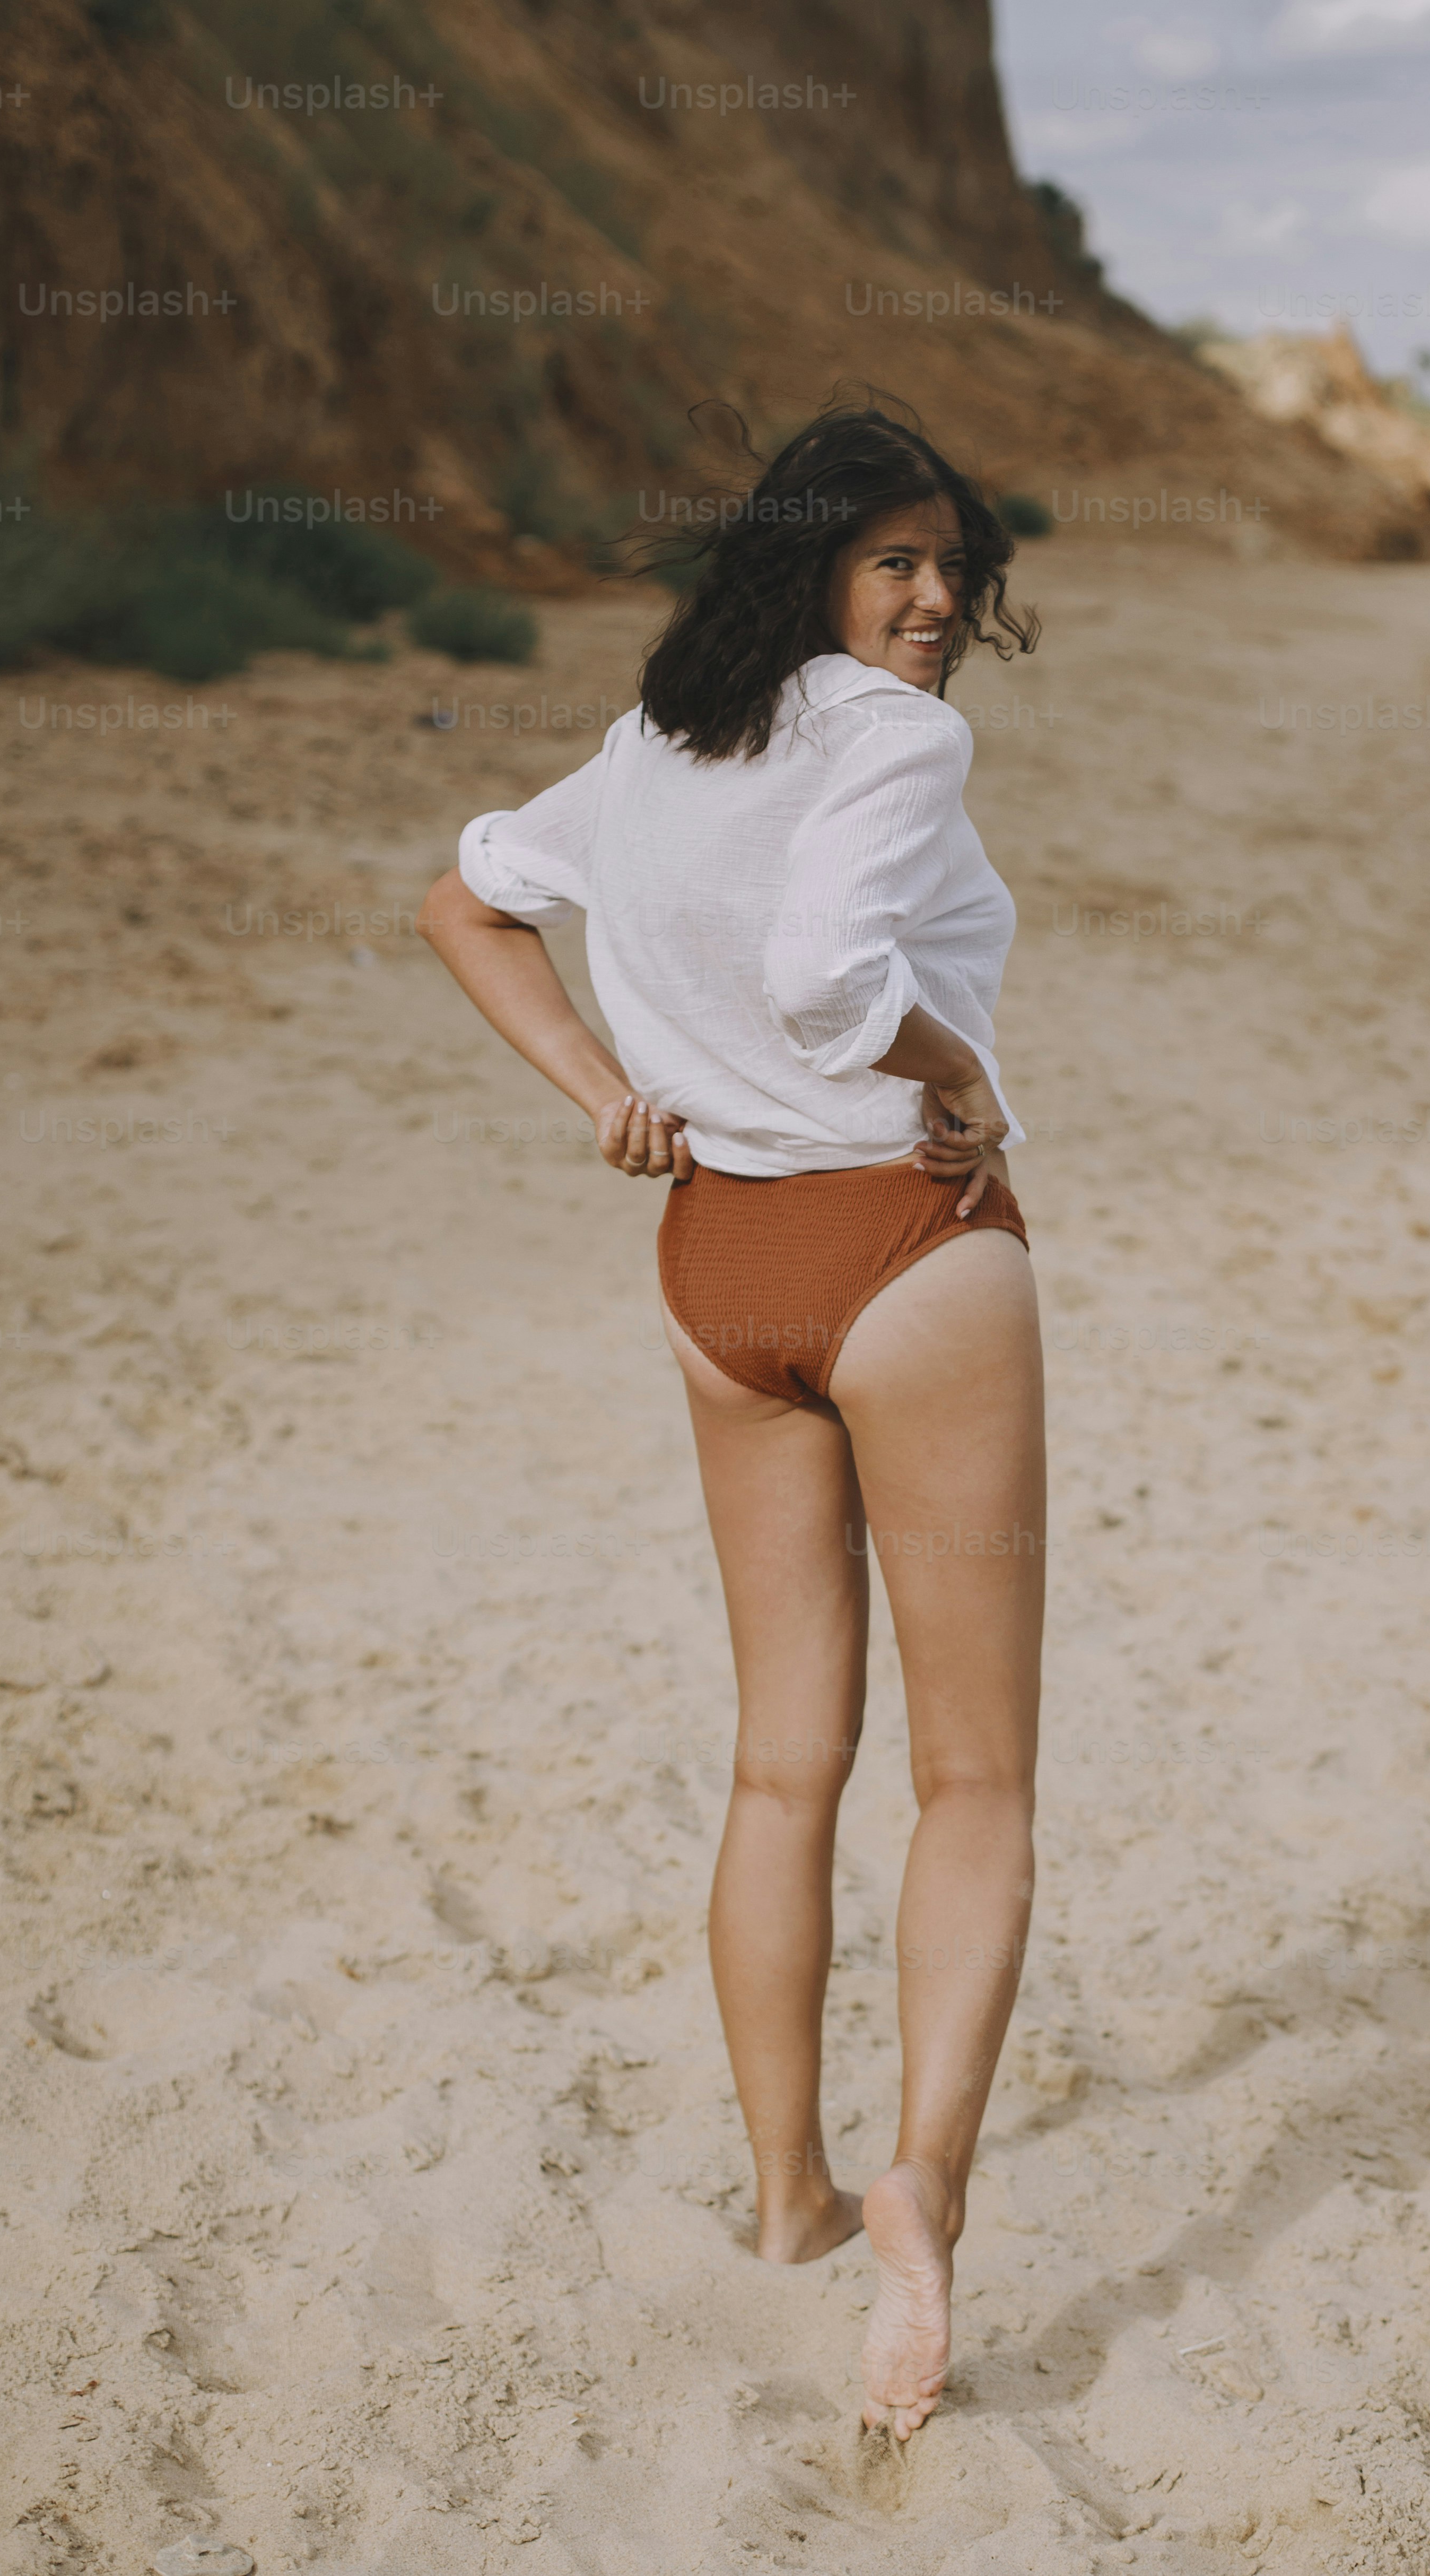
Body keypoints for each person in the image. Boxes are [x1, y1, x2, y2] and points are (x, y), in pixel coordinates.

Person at [417, 400, 1045, 2441]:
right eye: (897, 563)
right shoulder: (895, 737)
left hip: (716, 1273)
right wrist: (954, 1064)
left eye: (954, 564)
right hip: (903, 1248)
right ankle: (917, 2182)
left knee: (785, 1770)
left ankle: (783, 2201)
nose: (938, 601)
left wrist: (601, 1086)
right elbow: (825, 975)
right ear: (810, 567)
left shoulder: (666, 739)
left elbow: (464, 901)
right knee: (974, 1786)